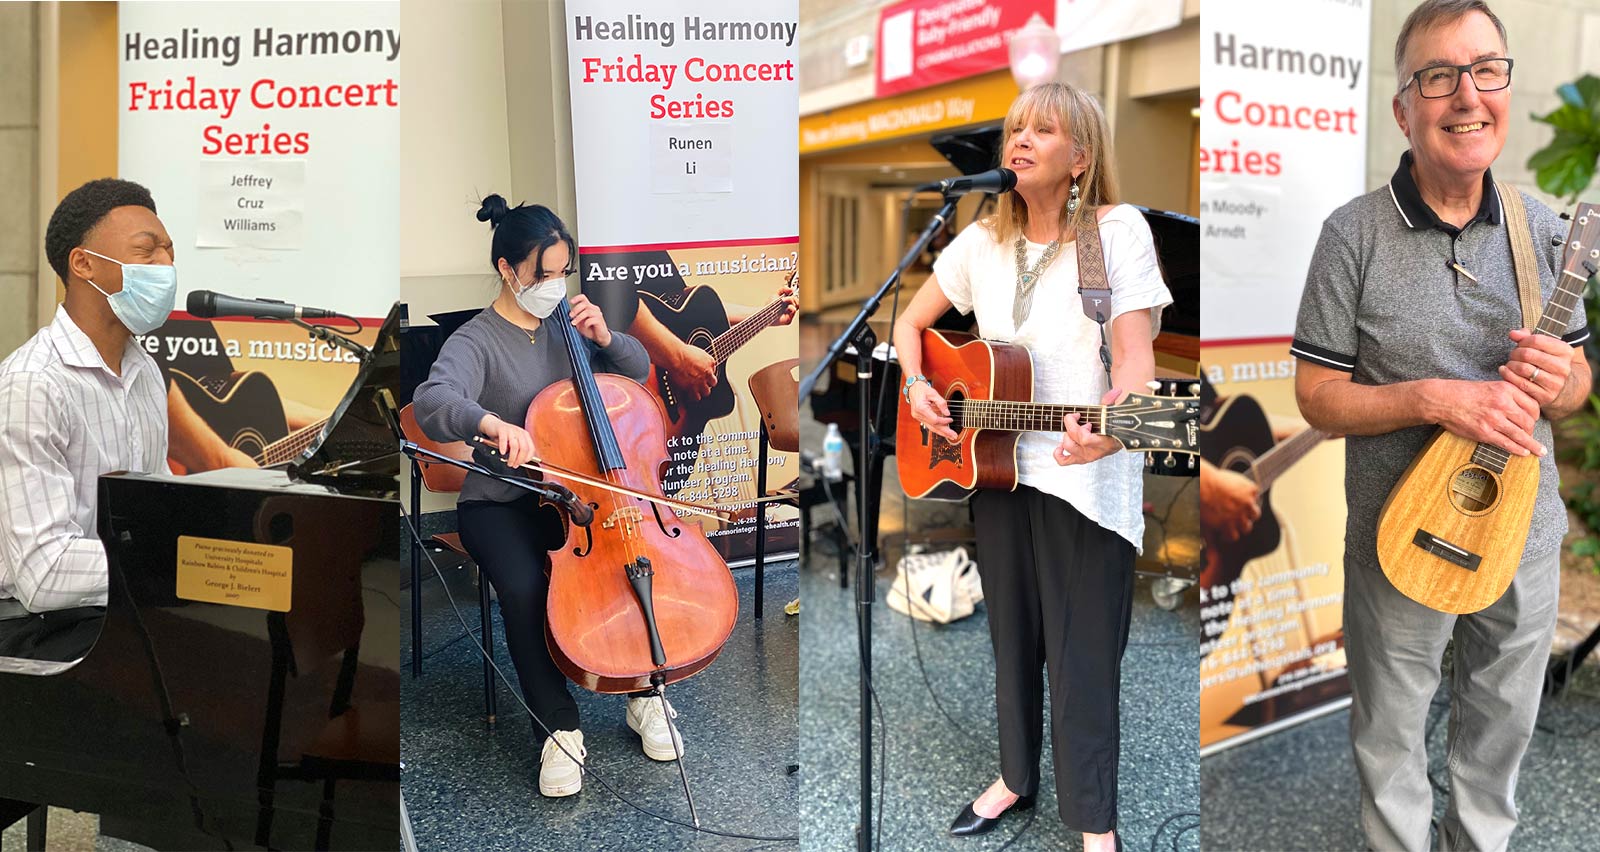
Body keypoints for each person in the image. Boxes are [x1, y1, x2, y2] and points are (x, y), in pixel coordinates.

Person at [1289, 2, 1590, 849]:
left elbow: (1574, 383)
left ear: (1505, 84)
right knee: (1391, 740)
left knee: (1499, 734)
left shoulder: (1542, 230)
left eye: (1485, 69)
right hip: (1399, 536)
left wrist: (1565, 380)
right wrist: (1434, 398)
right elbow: (1316, 396)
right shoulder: (1350, 235)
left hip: (1524, 536)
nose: (1466, 95)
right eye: (1437, 76)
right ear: (1404, 106)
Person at [894, 81, 1171, 852]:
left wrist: (1112, 434)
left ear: (1080, 156)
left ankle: (1094, 826)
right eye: (1016, 128)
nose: (1019, 140)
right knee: (1010, 640)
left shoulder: (1114, 232)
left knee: (1082, 662)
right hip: (997, 470)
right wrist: (919, 384)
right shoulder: (982, 240)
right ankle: (1015, 778)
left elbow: (1139, 370)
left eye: (1042, 131)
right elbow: (912, 322)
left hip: (1083, 476)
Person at [413, 196, 682, 799]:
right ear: (509, 270)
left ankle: (644, 693)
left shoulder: (571, 327)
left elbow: (636, 374)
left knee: (625, 565)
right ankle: (558, 728)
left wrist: (607, 337)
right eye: (544, 274)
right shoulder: (476, 339)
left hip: (582, 498)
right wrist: (488, 423)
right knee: (528, 587)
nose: (555, 285)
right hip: (503, 501)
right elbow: (433, 401)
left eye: (564, 272)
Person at [0, 178, 177, 662]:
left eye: (169, 251)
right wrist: (177, 560)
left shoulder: (145, 372)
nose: (166, 266)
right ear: (83, 264)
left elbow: (152, 513)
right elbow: (44, 571)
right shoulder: (33, 383)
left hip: (120, 608)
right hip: (33, 633)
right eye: (147, 252)